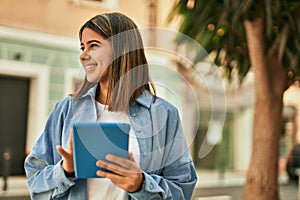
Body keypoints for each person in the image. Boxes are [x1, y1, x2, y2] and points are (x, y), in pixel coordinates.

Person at [24, 12, 197, 200]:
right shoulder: (67, 109)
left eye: (93, 46)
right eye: (83, 47)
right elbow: (35, 182)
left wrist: (140, 185)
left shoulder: (163, 114)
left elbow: (182, 188)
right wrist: (65, 171)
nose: (83, 56)